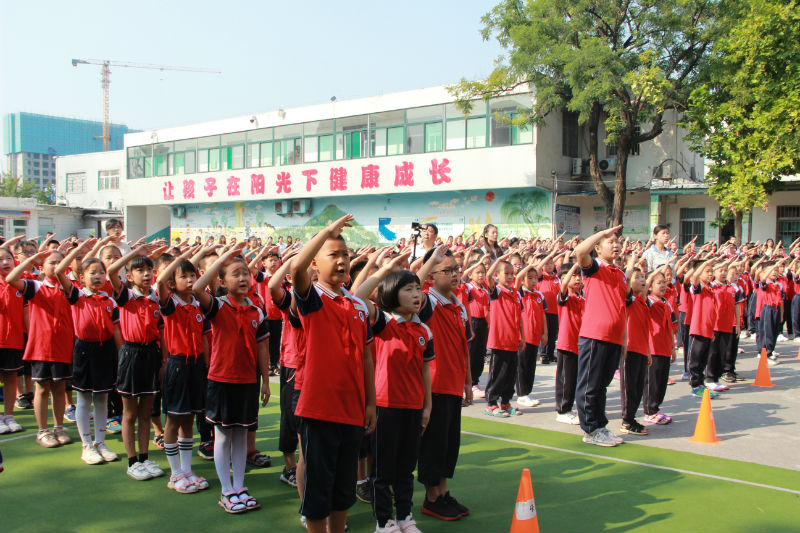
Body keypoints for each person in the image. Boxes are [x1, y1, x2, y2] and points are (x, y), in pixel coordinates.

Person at [290, 215, 376, 533]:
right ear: (315, 262)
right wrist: (326, 231)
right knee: (318, 489)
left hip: (352, 410)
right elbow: (295, 271)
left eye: (345, 255)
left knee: (342, 490)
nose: (341, 261)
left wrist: (370, 404)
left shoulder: (355, 305)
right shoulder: (312, 297)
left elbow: (367, 357)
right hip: (319, 409)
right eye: (333, 255)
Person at [356, 253, 432, 533]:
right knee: (382, 471)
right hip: (385, 407)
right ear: (391, 293)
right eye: (409, 289)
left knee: (405, 470)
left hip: (413, 408)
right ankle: (384, 522)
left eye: (418, 289)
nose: (417, 295)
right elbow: (358, 296)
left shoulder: (424, 330)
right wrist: (385, 268)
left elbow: (425, 371)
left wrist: (427, 408)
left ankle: (405, 518)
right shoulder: (383, 323)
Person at [193, 244, 271, 513]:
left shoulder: (257, 311)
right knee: (223, 436)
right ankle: (226, 490)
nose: (242, 278)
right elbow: (196, 289)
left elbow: (262, 348)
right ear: (223, 282)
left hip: (248, 382)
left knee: (240, 436)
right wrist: (219, 262)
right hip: (222, 381)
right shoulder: (217, 306)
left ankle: (240, 486)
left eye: (246, 273)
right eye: (235, 274)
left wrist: (266, 381)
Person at [415, 245, 472, 521]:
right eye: (446, 270)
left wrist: (469, 382)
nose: (454, 275)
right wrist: (431, 260)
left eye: (456, 269)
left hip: (454, 384)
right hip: (434, 386)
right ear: (431, 277)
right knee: (434, 444)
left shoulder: (459, 305)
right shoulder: (427, 301)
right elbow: (413, 284)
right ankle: (431, 497)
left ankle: (444, 492)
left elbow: (464, 347)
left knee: (450, 444)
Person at [55, 241, 122, 465]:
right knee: (83, 398)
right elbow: (57, 271)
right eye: (92, 273)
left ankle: (100, 442)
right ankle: (86, 445)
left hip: (106, 351)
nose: (98, 277)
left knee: (102, 397)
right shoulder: (77, 295)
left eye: (102, 273)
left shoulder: (110, 300)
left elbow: (116, 330)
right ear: (81, 277)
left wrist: (121, 354)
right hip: (84, 351)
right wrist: (77, 252)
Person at [107, 241, 168, 480]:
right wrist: (135, 253)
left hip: (151, 356)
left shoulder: (156, 300)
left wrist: (163, 360)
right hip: (131, 355)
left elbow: (161, 332)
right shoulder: (125, 297)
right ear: (130, 277)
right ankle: (132, 461)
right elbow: (112, 271)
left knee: (147, 412)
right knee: (129, 413)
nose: (146, 274)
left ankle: (145, 457)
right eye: (140, 270)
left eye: (149, 270)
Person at [6, 248, 74, 448]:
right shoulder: (35, 286)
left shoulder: (70, 288)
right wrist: (33, 259)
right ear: (41, 268)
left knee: (60, 388)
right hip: (41, 347)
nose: (56, 266)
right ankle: (42, 430)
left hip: (63, 346)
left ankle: (59, 427)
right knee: (42, 388)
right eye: (51, 262)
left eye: (59, 262)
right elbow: (11, 279)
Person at [156, 248, 211, 494]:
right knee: (173, 419)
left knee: (189, 419)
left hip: (196, 366)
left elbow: (206, 339)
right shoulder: (170, 304)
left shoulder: (199, 305)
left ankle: (187, 469)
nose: (190, 281)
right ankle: (175, 472)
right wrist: (179, 258)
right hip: (177, 366)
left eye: (193, 276)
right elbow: (159, 282)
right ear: (172, 283)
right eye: (184, 276)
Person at [572, 225, 627, 447]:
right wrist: (601, 233)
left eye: (616, 241)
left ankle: (600, 425)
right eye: (609, 241)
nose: (615, 245)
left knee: (602, 385)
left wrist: (623, 340)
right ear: (598, 246)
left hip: (613, 338)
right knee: (589, 385)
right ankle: (590, 429)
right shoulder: (594, 268)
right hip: (595, 335)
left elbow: (622, 308)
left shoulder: (620, 273)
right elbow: (579, 252)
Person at [483, 252, 525, 417]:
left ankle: (506, 402)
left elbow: (520, 318)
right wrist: (498, 260)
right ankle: (491, 403)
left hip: (513, 340)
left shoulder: (515, 293)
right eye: (505, 274)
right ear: (497, 275)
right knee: (498, 373)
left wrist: (522, 337)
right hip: (499, 340)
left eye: (511, 274)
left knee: (510, 373)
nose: (509, 276)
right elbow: (487, 275)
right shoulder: (497, 292)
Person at [619, 260, 652, 436]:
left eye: (643, 277)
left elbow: (645, 330)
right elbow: (625, 283)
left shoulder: (643, 303)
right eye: (637, 277)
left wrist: (647, 351)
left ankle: (631, 417)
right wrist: (631, 264)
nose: (642, 279)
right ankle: (626, 420)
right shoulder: (630, 300)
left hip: (641, 350)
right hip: (629, 349)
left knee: (638, 387)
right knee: (629, 387)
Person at [643, 266, 677, 425]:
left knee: (662, 380)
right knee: (653, 380)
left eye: (664, 282)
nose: (663, 285)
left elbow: (670, 325)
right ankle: (650, 410)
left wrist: (672, 346)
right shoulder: (648, 301)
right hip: (653, 346)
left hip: (664, 346)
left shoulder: (666, 302)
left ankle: (656, 408)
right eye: (659, 283)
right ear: (650, 286)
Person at [514, 259, 547, 408]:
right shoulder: (520, 293)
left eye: (535, 278)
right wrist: (529, 265)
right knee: (522, 365)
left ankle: (527, 392)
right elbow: (518, 278)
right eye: (530, 278)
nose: (533, 281)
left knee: (531, 366)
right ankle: (521, 394)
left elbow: (543, 315)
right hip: (524, 336)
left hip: (535, 336)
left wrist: (545, 333)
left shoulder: (539, 295)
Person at [0, 246, 25, 434]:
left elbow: (26, 312)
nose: (6, 262)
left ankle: (8, 415)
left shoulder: (20, 284)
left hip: (14, 339)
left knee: (11, 379)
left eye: (8, 258)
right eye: (1, 259)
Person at [554, 262, 583, 425]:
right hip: (567, 342)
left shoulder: (581, 296)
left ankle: (571, 407)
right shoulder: (564, 296)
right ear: (564, 279)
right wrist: (577, 264)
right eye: (574, 276)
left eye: (579, 276)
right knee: (565, 379)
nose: (577, 279)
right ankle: (562, 410)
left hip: (580, 343)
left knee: (575, 378)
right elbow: (564, 286)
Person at [687, 259, 720, 398]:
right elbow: (694, 277)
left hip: (707, 330)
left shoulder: (710, 289)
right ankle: (695, 385)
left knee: (703, 360)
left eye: (711, 271)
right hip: (698, 328)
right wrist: (705, 263)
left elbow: (712, 313)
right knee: (695, 359)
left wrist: (712, 330)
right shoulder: (698, 288)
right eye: (707, 271)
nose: (710, 274)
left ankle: (701, 384)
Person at [463, 261, 489, 399]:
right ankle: (469, 382)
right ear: (471, 273)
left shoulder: (484, 289)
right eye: (477, 272)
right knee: (471, 353)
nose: (481, 275)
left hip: (483, 323)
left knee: (480, 353)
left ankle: (475, 382)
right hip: (472, 321)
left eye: (483, 272)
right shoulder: (468, 287)